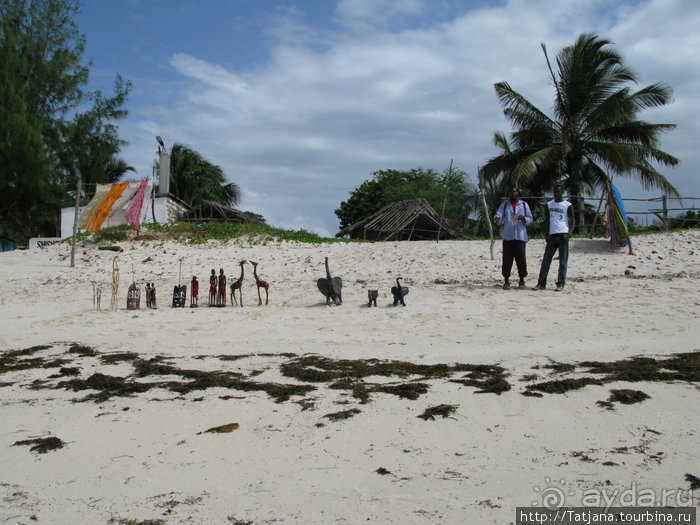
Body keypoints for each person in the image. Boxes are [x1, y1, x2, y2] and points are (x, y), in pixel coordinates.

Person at [535, 184, 576, 291]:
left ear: (562, 192)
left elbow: (572, 220)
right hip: (552, 235)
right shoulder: (549, 204)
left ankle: (561, 283)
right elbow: (547, 220)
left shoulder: (567, 205)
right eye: (555, 192)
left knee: (563, 261)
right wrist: (546, 234)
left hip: (563, 235)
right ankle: (541, 283)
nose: (557, 193)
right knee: (546, 260)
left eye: (559, 191)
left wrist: (569, 234)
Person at [494, 186, 533, 290]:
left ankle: (522, 280)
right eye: (511, 192)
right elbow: (498, 216)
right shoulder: (505, 205)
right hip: (508, 236)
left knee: (521, 259)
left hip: (520, 236)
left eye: (515, 191)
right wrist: (497, 219)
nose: (513, 193)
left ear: (518, 193)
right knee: (507, 260)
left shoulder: (524, 205)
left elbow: (530, 218)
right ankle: (506, 281)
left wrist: (523, 218)